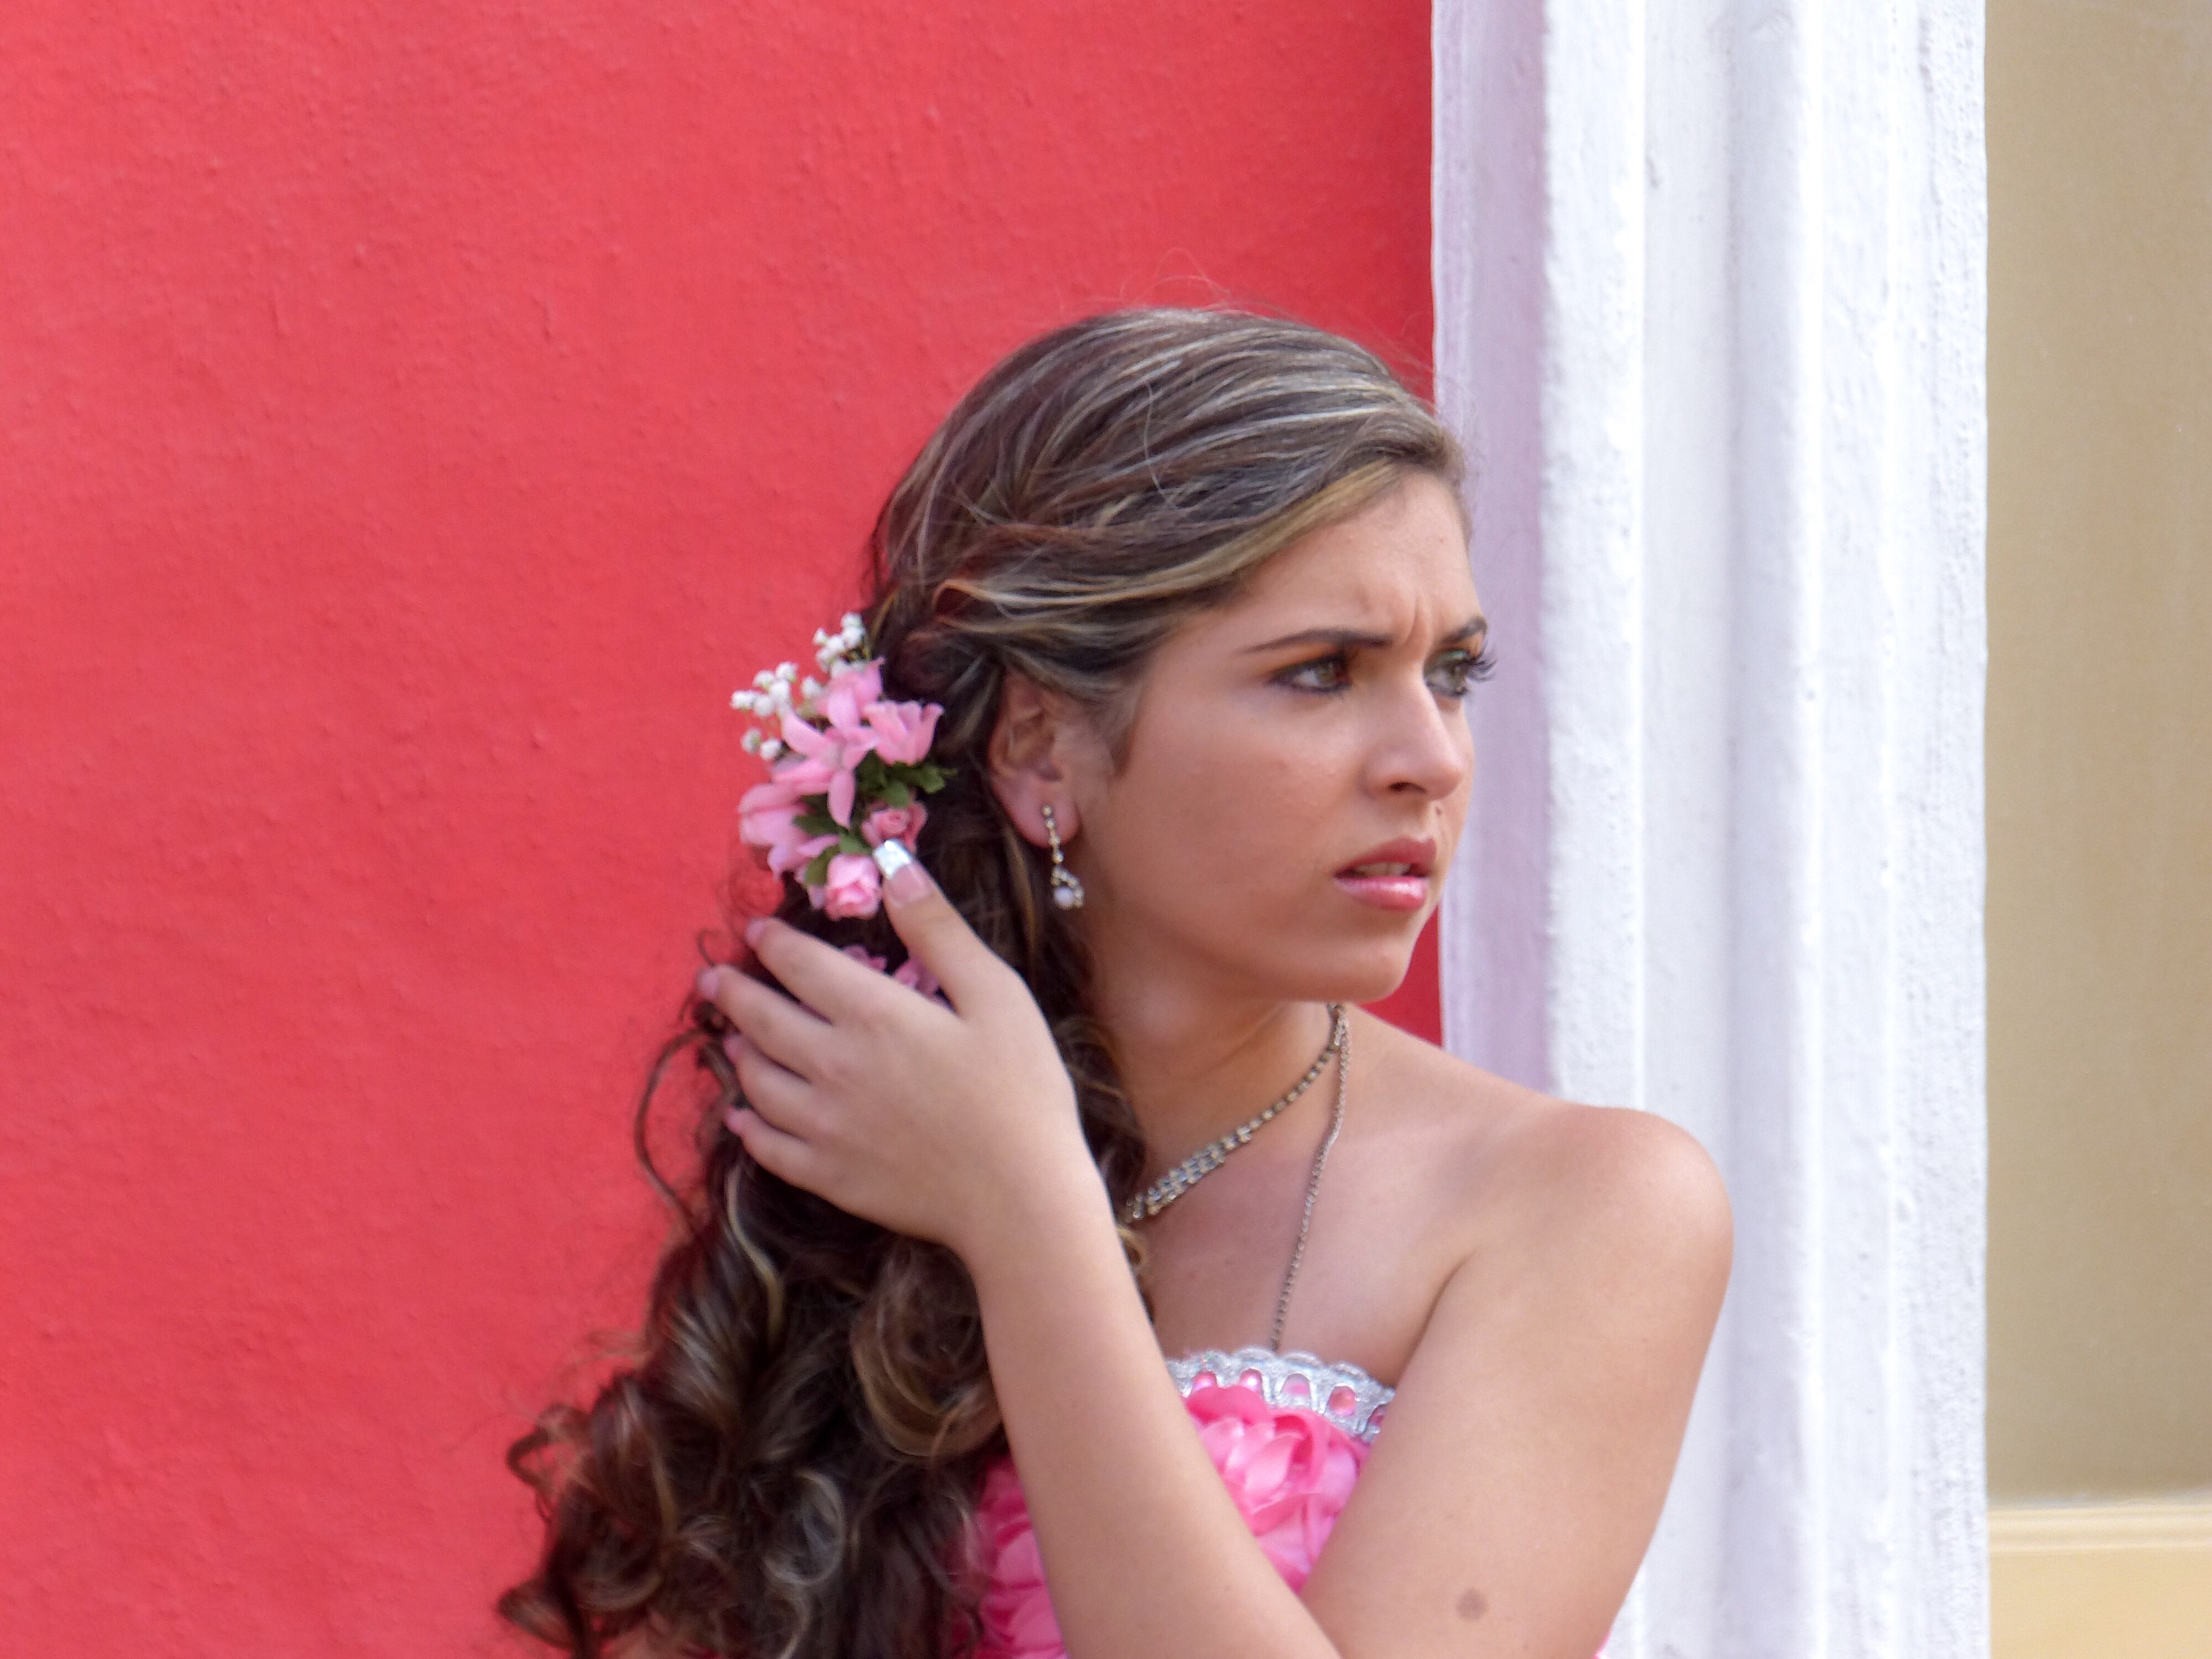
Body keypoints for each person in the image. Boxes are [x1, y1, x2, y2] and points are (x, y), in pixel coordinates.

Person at [499, 309, 1731, 1659]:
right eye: (1321, 674)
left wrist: (1027, 1218)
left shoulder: (1583, 1208)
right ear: (1041, 746)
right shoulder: (873, 1152)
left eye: (1450, 674)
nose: (1429, 759)